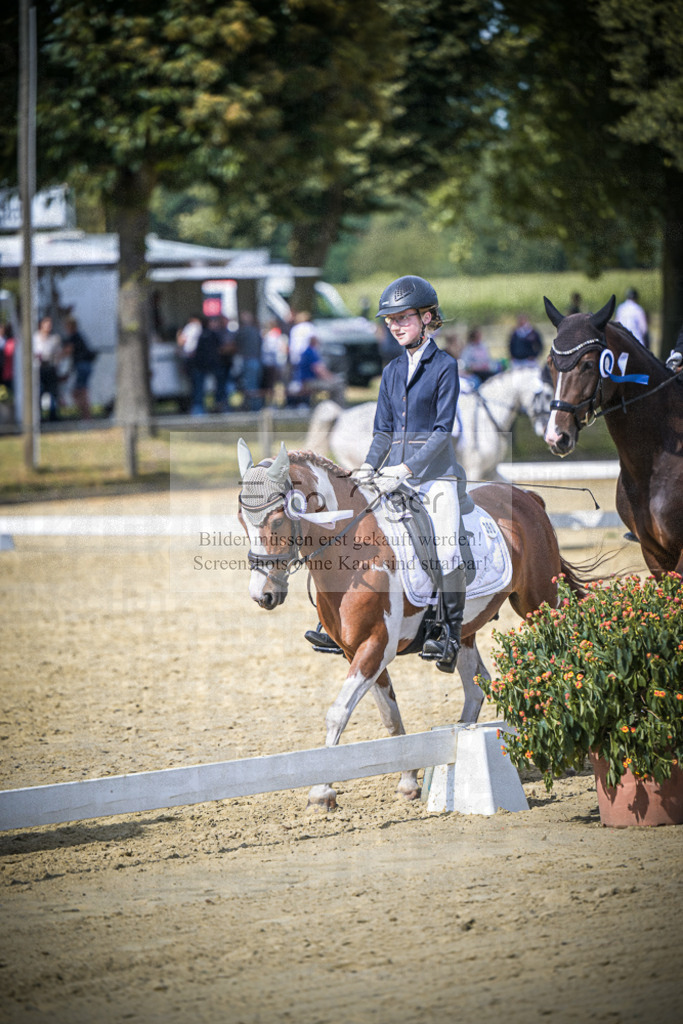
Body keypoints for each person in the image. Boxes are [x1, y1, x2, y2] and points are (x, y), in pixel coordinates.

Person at [308, 275, 469, 674]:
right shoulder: (393, 369)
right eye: (390, 320)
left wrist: (408, 468)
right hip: (391, 473)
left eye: (403, 318)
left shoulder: (444, 366)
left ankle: (448, 634)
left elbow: (441, 431)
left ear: (428, 317)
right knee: (356, 526)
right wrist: (367, 469)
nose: (395, 326)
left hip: (435, 476)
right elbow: (382, 432)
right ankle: (336, 621)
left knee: (446, 544)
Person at [291, 334, 345, 407]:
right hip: (309, 382)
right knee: (338, 385)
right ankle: (337, 407)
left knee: (336, 383)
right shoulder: (311, 352)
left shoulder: (307, 351)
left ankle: (333, 407)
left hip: (305, 381)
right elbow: (319, 369)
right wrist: (331, 378)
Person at [63, 316, 97, 418]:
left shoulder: (73, 337)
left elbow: (68, 351)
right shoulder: (79, 336)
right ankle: (85, 415)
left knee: (80, 392)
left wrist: (56, 356)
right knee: (79, 391)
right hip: (84, 366)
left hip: (82, 366)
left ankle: (86, 416)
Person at [33, 315, 63, 421]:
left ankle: (53, 416)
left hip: (50, 367)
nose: (48, 326)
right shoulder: (35, 338)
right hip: (39, 368)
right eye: (46, 324)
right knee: (39, 391)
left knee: (52, 392)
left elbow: (58, 354)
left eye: (50, 324)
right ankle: (38, 417)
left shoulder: (54, 339)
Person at [235, 311, 263, 411]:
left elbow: (235, 345)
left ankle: (254, 409)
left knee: (250, 386)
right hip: (257, 361)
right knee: (255, 385)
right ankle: (255, 407)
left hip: (248, 361)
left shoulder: (242, 332)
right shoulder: (256, 331)